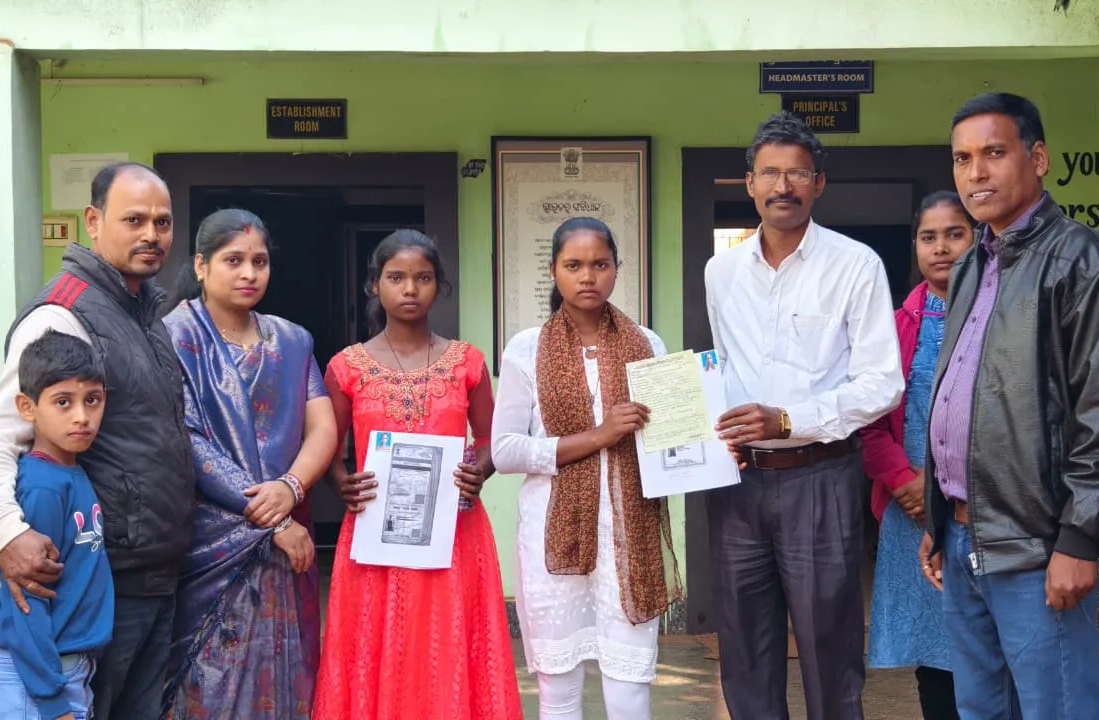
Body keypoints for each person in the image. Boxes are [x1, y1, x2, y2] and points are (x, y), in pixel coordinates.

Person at [920, 92, 1099, 720]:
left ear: (1037, 158)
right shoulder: (970, 269)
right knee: (981, 711)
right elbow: (959, 396)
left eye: (994, 153)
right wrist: (941, 517)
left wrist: (1079, 540)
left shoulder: (1083, 262)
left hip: (1039, 548)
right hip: (966, 540)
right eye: (962, 159)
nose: (976, 173)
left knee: (1058, 711)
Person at [0, 162, 196, 720]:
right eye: (133, 219)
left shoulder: (146, 313)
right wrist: (6, 532)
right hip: (99, 580)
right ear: (93, 221)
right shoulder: (62, 312)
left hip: (154, 573)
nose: (151, 234)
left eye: (162, 222)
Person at [703, 112, 904, 720]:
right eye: (769, 173)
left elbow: (883, 383)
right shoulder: (722, 271)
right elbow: (725, 370)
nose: (782, 186)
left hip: (820, 479)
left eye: (797, 174)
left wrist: (786, 419)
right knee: (744, 649)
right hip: (738, 485)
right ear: (749, 184)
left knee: (827, 646)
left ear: (818, 184)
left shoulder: (855, 264)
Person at [312, 230, 521, 720]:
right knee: (374, 642)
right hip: (374, 533)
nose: (410, 289)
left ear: (438, 286)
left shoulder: (466, 363)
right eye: (397, 277)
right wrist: (342, 482)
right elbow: (325, 447)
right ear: (375, 285)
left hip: (454, 531)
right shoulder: (347, 368)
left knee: (448, 641)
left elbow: (492, 441)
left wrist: (478, 470)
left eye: (423, 278)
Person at [492, 216, 682, 720]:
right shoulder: (526, 349)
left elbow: (668, 442)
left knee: (629, 681)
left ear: (617, 269)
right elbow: (505, 450)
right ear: (553, 271)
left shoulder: (648, 343)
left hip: (628, 536)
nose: (587, 276)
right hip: (554, 542)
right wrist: (597, 437)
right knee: (558, 690)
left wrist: (698, 448)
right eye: (573, 265)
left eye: (600, 264)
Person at [160, 209, 338, 719]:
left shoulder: (292, 340)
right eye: (233, 260)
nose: (248, 273)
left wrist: (291, 488)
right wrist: (273, 515)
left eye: (259, 261)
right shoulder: (174, 338)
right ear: (200, 265)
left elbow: (322, 426)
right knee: (205, 680)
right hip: (209, 542)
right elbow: (187, 438)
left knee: (284, 674)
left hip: (288, 540)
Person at [860, 191, 975, 720]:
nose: (941, 247)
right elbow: (870, 420)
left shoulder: (997, 317)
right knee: (932, 646)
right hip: (910, 507)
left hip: (987, 503)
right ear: (915, 246)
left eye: (955, 233)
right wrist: (906, 483)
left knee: (987, 641)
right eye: (929, 237)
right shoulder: (893, 323)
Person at [0, 330, 114, 720]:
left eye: (92, 400)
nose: (82, 416)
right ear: (27, 407)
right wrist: (53, 700)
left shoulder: (71, 473)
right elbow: (26, 603)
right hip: (42, 678)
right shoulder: (42, 488)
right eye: (63, 402)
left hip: (68, 670)